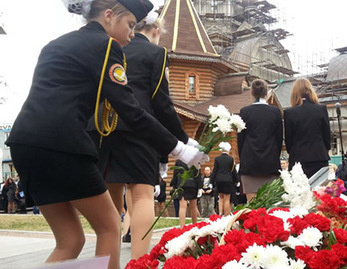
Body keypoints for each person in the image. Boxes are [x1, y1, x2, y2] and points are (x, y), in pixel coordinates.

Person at [4, 1, 207, 267]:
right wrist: (179, 148)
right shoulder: (107, 46)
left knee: (70, 241)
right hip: (63, 145)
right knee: (110, 226)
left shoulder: (55, 44)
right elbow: (131, 110)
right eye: (130, 25)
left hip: (24, 144)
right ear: (109, 16)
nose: (132, 34)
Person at [90, 9, 197, 259]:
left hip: (104, 127)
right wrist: (181, 138)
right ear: (156, 30)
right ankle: (139, 263)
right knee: (141, 196)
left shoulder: (112, 47)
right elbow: (161, 103)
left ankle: (109, 263)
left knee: (112, 202)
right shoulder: (156, 52)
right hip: (139, 129)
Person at [237, 79, 283, 202]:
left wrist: (244, 158)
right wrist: (274, 156)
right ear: (266, 92)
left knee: (252, 207)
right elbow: (279, 139)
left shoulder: (244, 112)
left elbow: (240, 140)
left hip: (250, 163)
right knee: (270, 206)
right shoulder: (275, 112)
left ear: (252, 92)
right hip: (270, 164)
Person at [284, 78, 331, 178]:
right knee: (320, 191)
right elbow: (327, 135)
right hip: (319, 156)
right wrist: (325, 148)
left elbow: (289, 140)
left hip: (298, 158)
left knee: (299, 191)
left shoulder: (289, 113)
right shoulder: (321, 109)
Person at [210, 142, 238, 216]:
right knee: (227, 199)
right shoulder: (231, 159)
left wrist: (211, 181)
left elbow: (214, 171)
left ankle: (220, 213)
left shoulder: (217, 159)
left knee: (221, 197)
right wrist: (236, 180)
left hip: (219, 180)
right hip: (228, 180)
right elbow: (233, 171)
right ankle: (226, 215)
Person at [171, 160, 201, 227]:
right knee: (193, 206)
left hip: (182, 184)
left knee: (182, 207)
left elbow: (175, 173)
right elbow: (198, 173)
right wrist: (200, 186)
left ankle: (182, 227)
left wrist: (174, 186)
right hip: (193, 184)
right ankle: (195, 225)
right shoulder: (195, 158)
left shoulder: (179, 160)